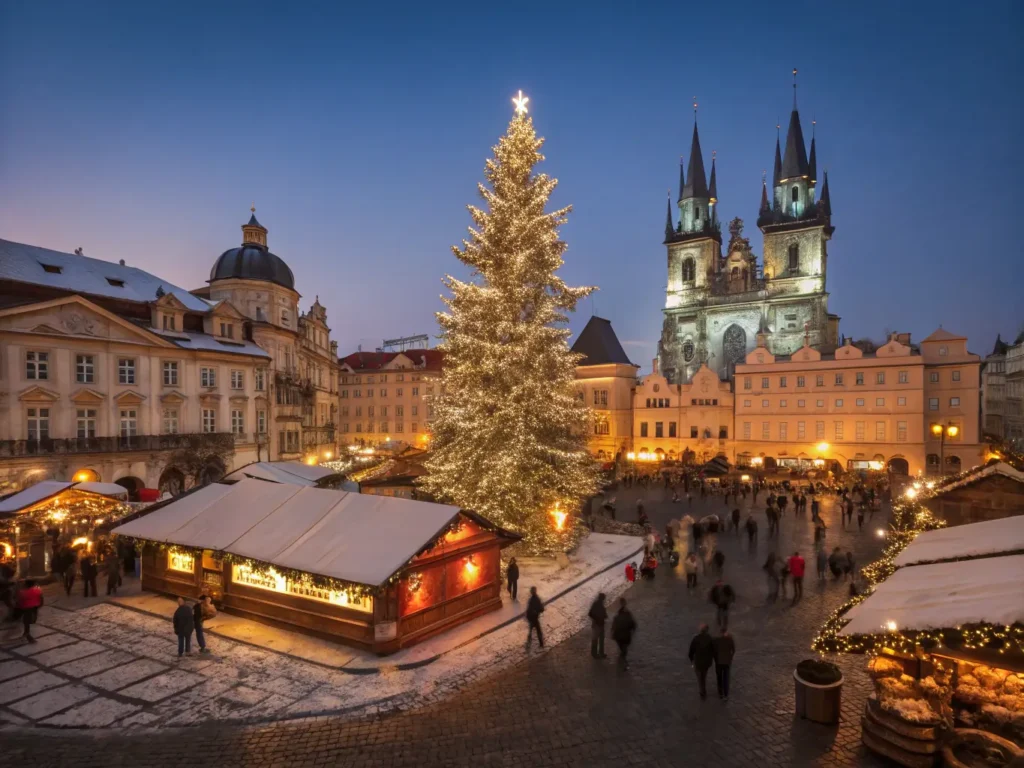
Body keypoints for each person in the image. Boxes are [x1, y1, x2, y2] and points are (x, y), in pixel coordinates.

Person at [687, 623, 715, 700]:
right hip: (706, 662)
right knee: (704, 675)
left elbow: (691, 651)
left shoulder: (696, 638)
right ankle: (703, 688)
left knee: (699, 677)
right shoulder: (710, 638)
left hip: (698, 662)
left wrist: (691, 660)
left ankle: (702, 691)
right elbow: (713, 651)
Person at [610, 597, 637, 669]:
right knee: (624, 648)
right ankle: (624, 660)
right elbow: (633, 624)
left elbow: (613, 626)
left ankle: (622, 658)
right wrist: (633, 629)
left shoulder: (617, 617)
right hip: (626, 636)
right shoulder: (628, 615)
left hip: (619, 637)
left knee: (622, 647)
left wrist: (612, 633)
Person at [16, 579, 43, 643]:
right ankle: (28, 636)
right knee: (28, 621)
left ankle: (26, 634)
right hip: (33, 608)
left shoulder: (23, 591)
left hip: (25, 608)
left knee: (27, 622)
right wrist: (39, 605)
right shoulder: (37, 590)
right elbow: (41, 599)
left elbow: (19, 600)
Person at [713, 628, 736, 700]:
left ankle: (720, 693)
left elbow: (714, 651)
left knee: (719, 678)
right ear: (726, 632)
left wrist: (716, 659)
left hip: (719, 662)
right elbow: (733, 650)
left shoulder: (717, 640)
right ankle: (726, 694)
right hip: (727, 662)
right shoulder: (730, 639)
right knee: (726, 678)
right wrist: (730, 658)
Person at [588, 593, 607, 659]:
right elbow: (590, 613)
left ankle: (600, 653)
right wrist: (597, 618)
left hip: (600, 624)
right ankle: (595, 653)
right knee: (596, 639)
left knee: (600, 639)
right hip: (597, 624)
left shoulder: (599, 605)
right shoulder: (596, 605)